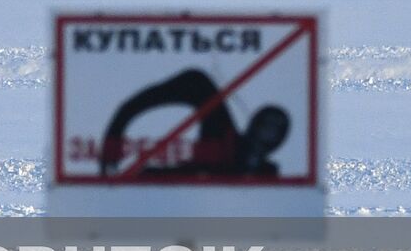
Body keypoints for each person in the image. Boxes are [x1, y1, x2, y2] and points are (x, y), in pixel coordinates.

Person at [98, 68, 289, 178]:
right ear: (254, 123)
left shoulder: (268, 175)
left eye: (275, 128)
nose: (267, 130)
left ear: (279, 139)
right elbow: (197, 83)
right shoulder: (223, 134)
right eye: (265, 123)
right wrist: (112, 143)